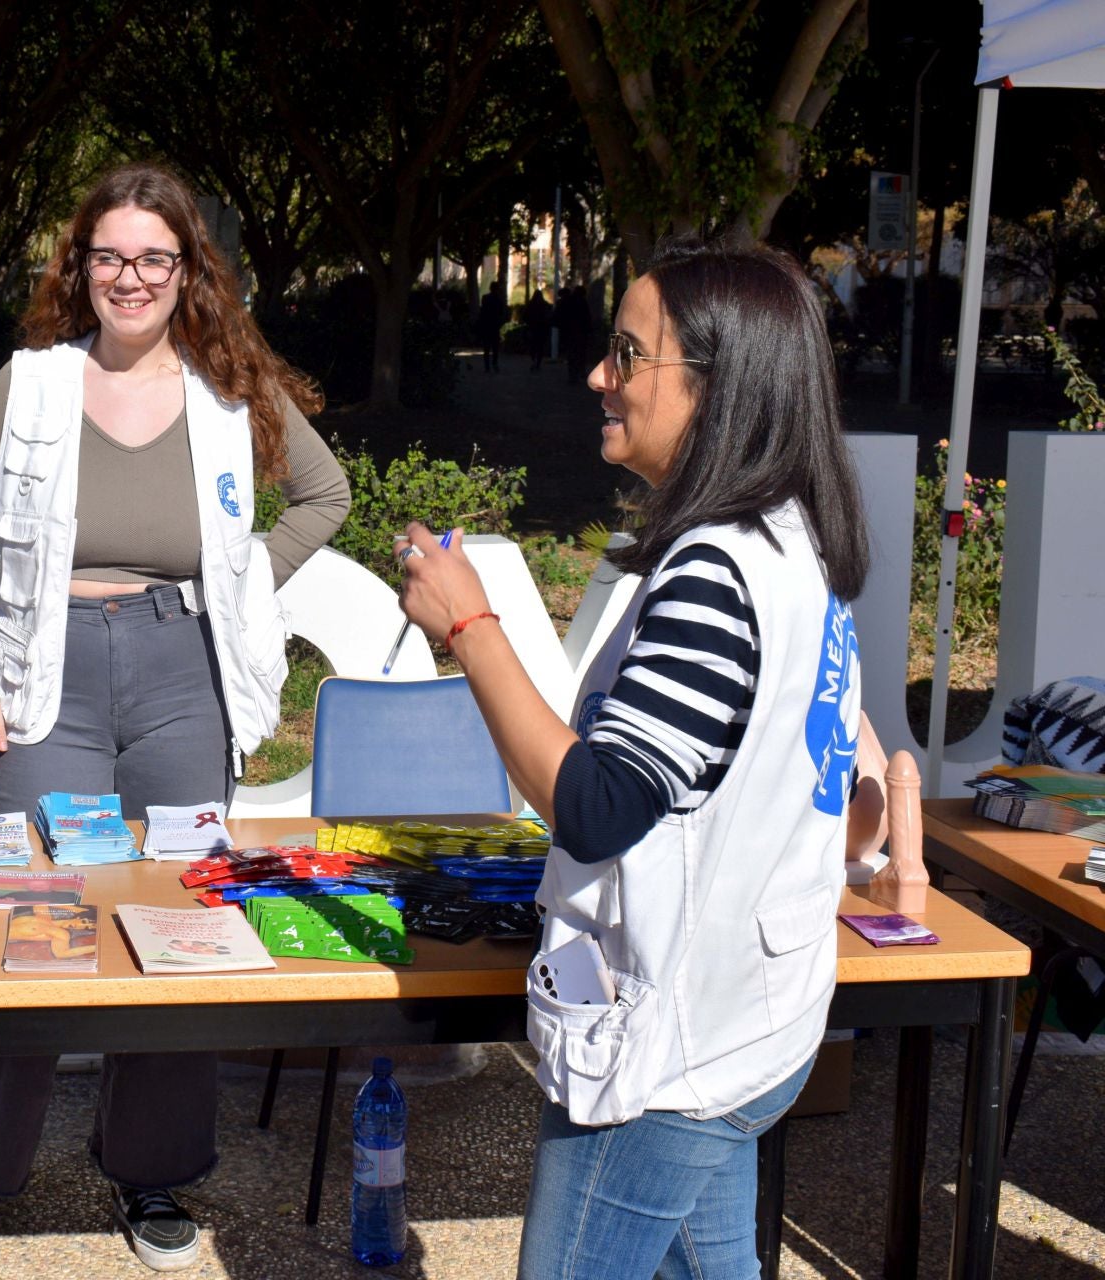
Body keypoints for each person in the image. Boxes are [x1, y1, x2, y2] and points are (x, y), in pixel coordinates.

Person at [398, 237, 870, 1279]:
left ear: (717, 385)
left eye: (627, 353)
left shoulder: (718, 568)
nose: (597, 375)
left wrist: (468, 625)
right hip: (753, 1016)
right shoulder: (796, 541)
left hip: (675, 1046)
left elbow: (600, 804)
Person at [0, 161, 351, 1271]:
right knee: (31, 910)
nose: (130, 277)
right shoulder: (29, 384)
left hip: (180, 672)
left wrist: (247, 579)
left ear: (186, 269)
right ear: (83, 265)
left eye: (153, 257)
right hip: (46, 671)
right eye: (108, 255)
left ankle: (153, 1164)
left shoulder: (228, 386)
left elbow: (327, 492)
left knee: (179, 917)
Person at [475, 283, 508, 372]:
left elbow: (482, 312)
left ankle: (487, 366)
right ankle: (494, 363)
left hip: (487, 325)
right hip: (494, 326)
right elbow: (502, 313)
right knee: (495, 348)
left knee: (486, 347)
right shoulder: (499, 300)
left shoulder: (485, 298)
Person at [524, 286, 552, 370]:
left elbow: (525, 316)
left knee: (533, 346)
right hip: (541, 329)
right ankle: (538, 363)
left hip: (533, 329)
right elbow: (548, 316)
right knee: (540, 347)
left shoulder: (530, 305)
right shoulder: (545, 305)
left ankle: (534, 361)